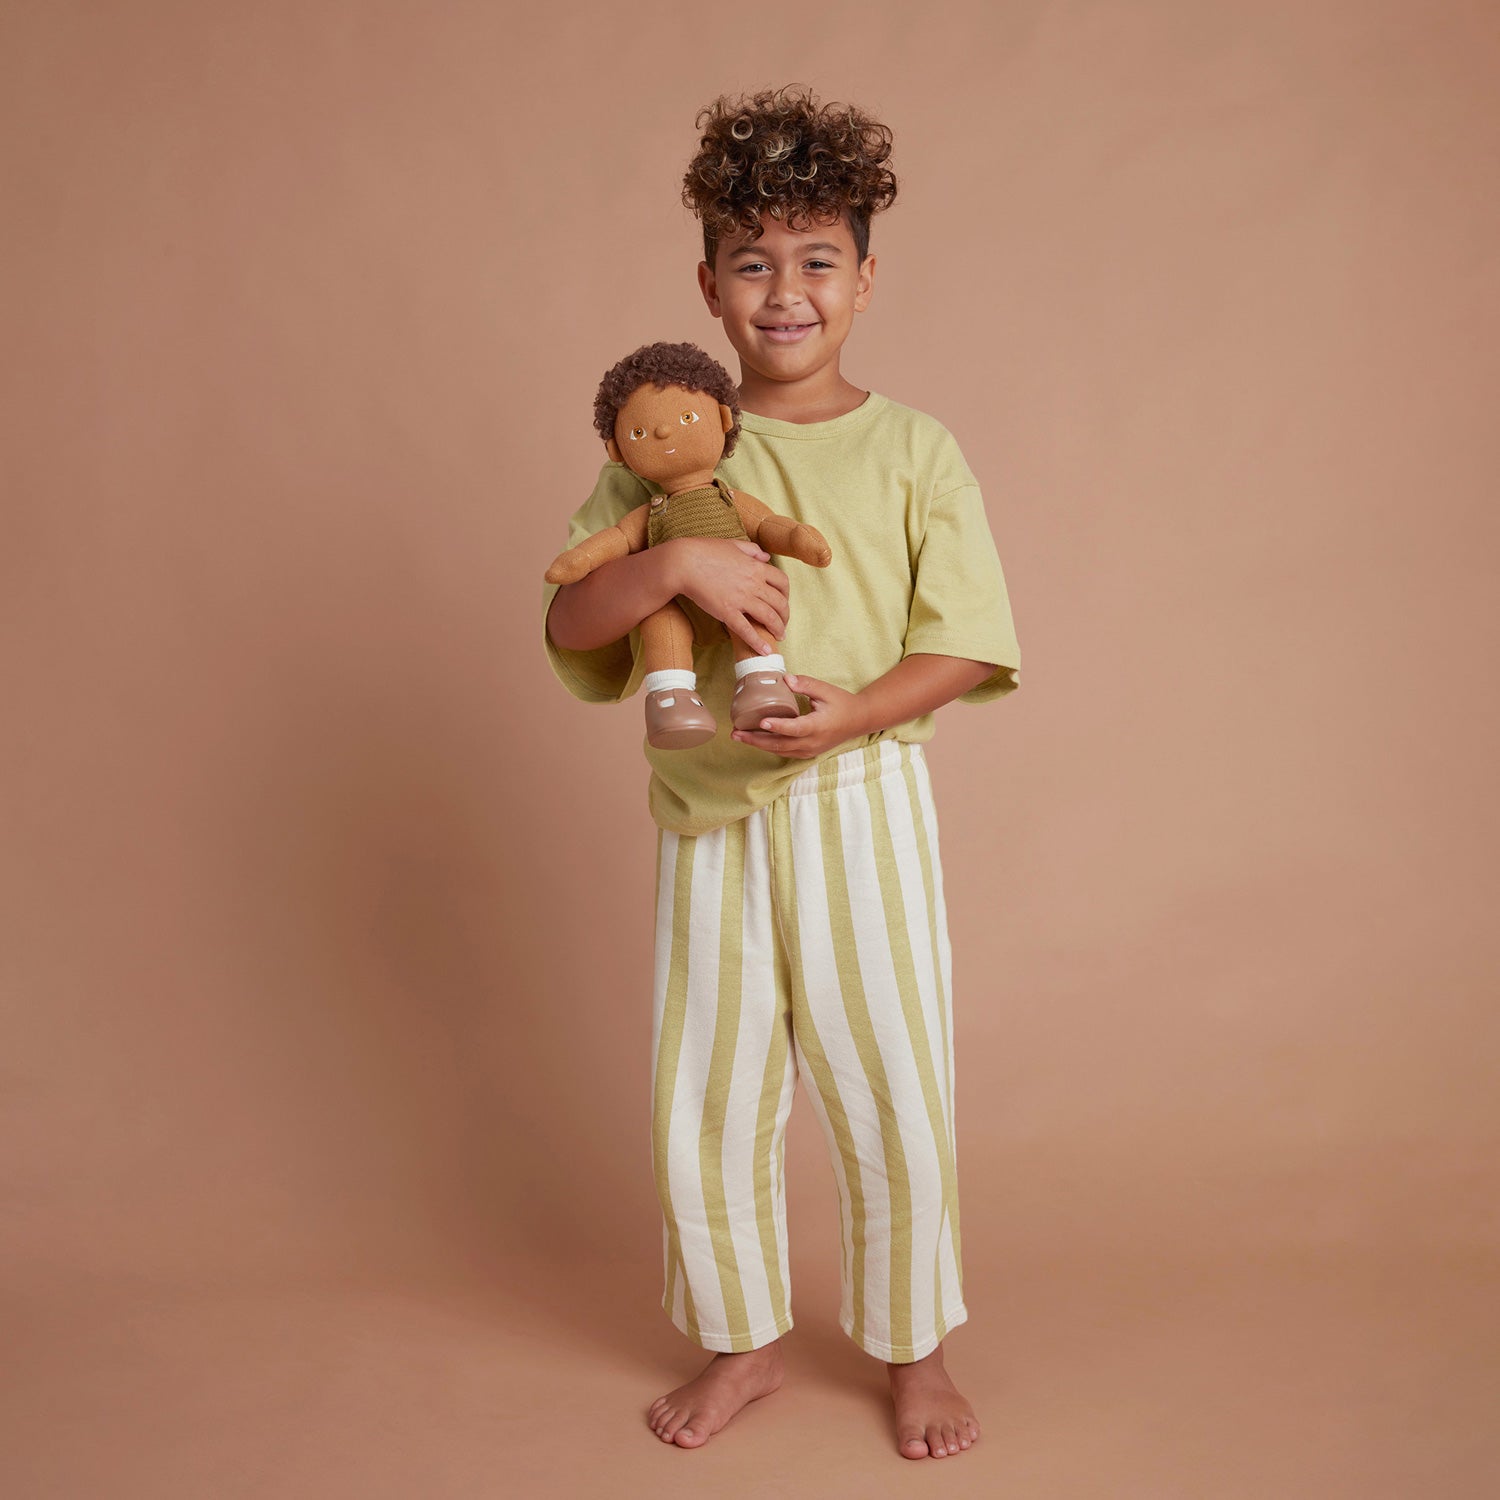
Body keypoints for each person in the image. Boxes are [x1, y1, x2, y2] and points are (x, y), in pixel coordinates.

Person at [540, 84, 1021, 1461]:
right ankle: (741, 1338)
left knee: (890, 1080)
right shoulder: (657, 449)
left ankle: (912, 1350)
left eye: (817, 261)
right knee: (709, 1089)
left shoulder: (916, 450)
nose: (785, 291)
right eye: (753, 263)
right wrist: (669, 564)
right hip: (709, 821)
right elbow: (571, 622)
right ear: (708, 284)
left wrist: (859, 711)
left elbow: (969, 643)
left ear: (865, 280)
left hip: (862, 805)